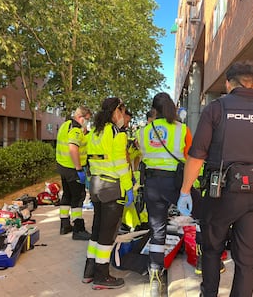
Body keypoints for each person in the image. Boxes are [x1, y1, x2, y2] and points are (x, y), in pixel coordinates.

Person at [177, 60, 253, 297]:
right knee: (246, 260)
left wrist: (185, 191)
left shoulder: (216, 108)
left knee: (211, 251)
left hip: (221, 195)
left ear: (229, 83)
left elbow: (196, 156)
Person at [136, 92, 192, 296]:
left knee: (157, 230)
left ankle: (154, 278)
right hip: (176, 183)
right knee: (198, 219)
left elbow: (142, 155)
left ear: (154, 110)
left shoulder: (142, 132)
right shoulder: (182, 129)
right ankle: (203, 261)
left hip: (152, 184)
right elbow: (191, 157)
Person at [82, 97, 134, 289]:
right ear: (115, 112)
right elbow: (121, 165)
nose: (123, 116)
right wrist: (128, 188)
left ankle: (89, 271)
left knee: (96, 229)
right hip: (112, 188)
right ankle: (102, 276)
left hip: (95, 186)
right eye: (122, 111)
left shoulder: (94, 132)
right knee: (107, 233)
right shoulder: (117, 134)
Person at [56, 106, 92, 240]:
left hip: (62, 166)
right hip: (73, 169)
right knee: (78, 197)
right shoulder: (75, 130)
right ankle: (78, 229)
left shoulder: (65, 125)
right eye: (87, 119)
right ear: (80, 117)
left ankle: (64, 224)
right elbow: (73, 149)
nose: (87, 122)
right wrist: (79, 169)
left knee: (67, 195)